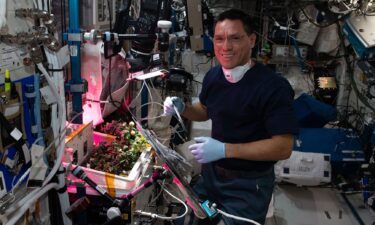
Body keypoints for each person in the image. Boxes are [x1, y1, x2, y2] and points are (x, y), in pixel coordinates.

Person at [163, 8, 298, 225]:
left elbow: (283, 147)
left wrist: (225, 150)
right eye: (219, 39)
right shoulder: (214, 76)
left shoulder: (273, 87)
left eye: (235, 38)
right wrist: (183, 107)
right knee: (189, 219)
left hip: (248, 186)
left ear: (252, 40)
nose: (225, 47)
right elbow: (205, 110)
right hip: (211, 179)